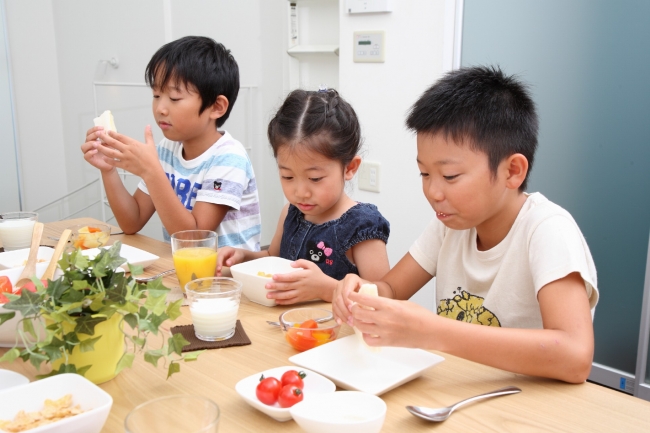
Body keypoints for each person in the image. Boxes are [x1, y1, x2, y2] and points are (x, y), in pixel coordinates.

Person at [332, 66, 599, 384]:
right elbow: (391, 289)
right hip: (464, 390)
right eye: (425, 174)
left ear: (512, 171)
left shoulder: (547, 230)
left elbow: (575, 356)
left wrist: (433, 332)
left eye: (450, 176)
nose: (433, 192)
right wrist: (364, 291)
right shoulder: (450, 227)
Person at [81, 36, 261, 250]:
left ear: (216, 107)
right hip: (184, 272)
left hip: (227, 279)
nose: (160, 108)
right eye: (156, 95)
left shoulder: (229, 158)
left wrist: (151, 171)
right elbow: (132, 221)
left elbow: (194, 239)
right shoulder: (167, 150)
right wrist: (109, 169)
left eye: (174, 98)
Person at [217, 88, 391, 304]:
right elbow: (274, 258)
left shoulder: (362, 227)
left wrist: (326, 288)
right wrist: (244, 258)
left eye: (315, 178)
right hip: (287, 328)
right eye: (288, 177)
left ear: (350, 168)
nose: (300, 192)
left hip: (336, 333)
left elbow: (382, 298)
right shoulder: (291, 213)